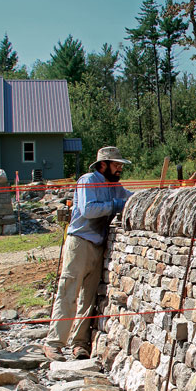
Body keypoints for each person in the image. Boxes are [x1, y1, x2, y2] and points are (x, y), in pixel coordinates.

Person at [43, 146, 130, 361]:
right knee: (68, 291)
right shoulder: (88, 180)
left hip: (97, 244)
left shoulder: (114, 186)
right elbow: (88, 210)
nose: (119, 168)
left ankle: (79, 344)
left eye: (120, 165)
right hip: (79, 242)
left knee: (88, 297)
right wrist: (117, 204)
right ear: (103, 164)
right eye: (116, 164)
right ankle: (54, 343)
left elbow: (132, 197)